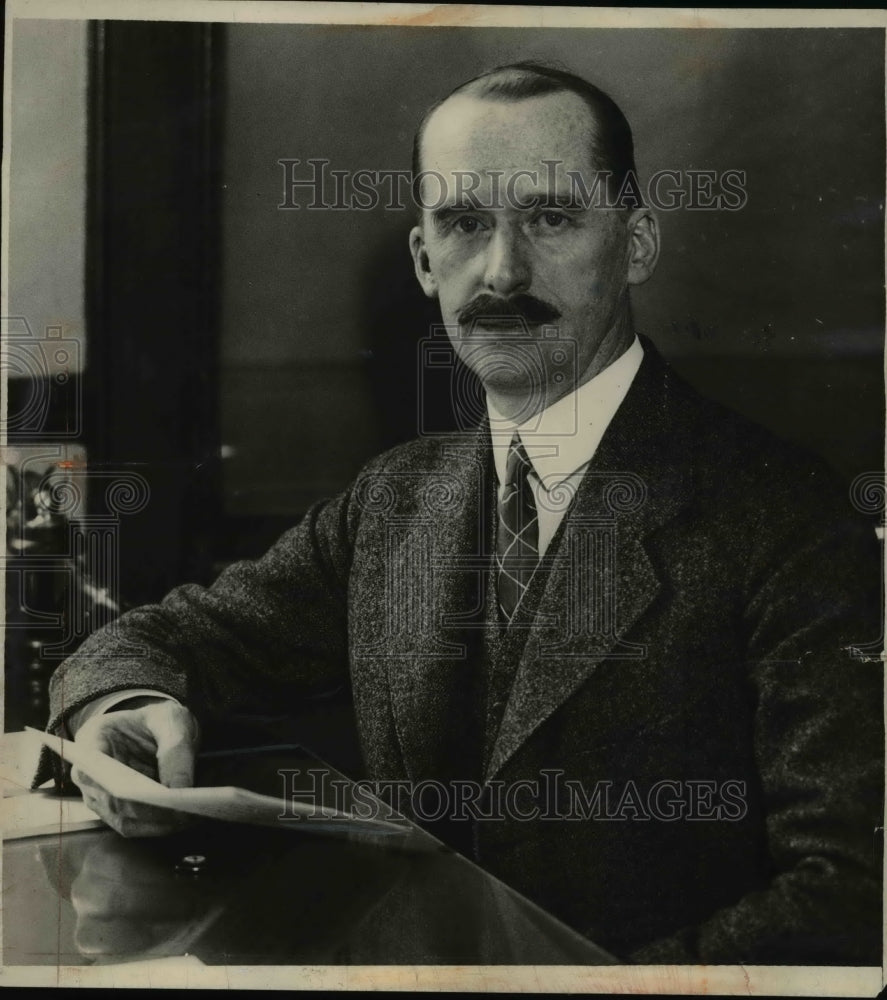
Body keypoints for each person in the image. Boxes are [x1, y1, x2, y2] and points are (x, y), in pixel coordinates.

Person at [38, 62, 883, 964]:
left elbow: (850, 897)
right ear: (422, 259)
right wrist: (126, 708)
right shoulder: (395, 498)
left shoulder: (783, 515)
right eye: (464, 223)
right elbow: (162, 641)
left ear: (635, 243)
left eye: (552, 217)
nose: (502, 271)